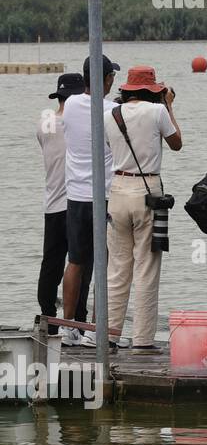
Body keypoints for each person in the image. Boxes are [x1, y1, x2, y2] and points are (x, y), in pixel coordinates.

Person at [105, 66, 182, 350]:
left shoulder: (109, 115)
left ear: (126, 90)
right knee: (146, 268)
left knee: (117, 267)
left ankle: (111, 333)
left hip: (117, 189)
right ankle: (142, 338)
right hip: (147, 189)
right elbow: (176, 144)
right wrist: (169, 105)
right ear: (153, 91)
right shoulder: (158, 111)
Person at [61, 54, 120, 346]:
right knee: (106, 266)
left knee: (75, 261)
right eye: (112, 77)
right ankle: (97, 328)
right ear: (106, 79)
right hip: (105, 195)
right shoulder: (112, 110)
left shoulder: (69, 105)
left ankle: (68, 326)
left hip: (75, 195)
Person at [37, 73, 89, 337]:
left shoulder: (45, 121)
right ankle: (79, 320)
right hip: (78, 200)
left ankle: (47, 317)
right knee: (81, 263)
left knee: (51, 264)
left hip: (52, 203)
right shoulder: (82, 122)